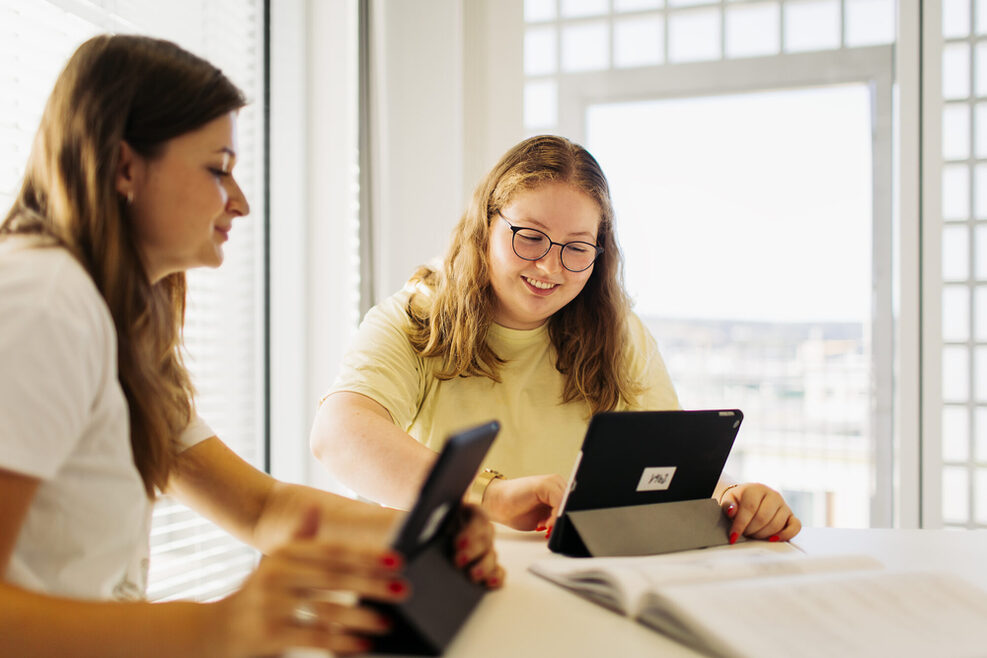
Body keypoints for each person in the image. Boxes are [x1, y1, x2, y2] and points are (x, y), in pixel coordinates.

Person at [0, 34, 501, 657]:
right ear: (126, 167)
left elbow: (261, 509)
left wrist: (424, 535)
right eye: (218, 169)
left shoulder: (117, 327)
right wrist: (215, 628)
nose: (238, 202)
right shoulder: (43, 303)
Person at [311, 135, 801, 545]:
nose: (550, 266)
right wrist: (490, 497)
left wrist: (735, 497)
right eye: (530, 236)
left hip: (580, 582)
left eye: (577, 248)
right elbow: (338, 435)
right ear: (486, 225)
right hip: (451, 580)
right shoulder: (417, 317)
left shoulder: (620, 332)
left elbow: (669, 469)